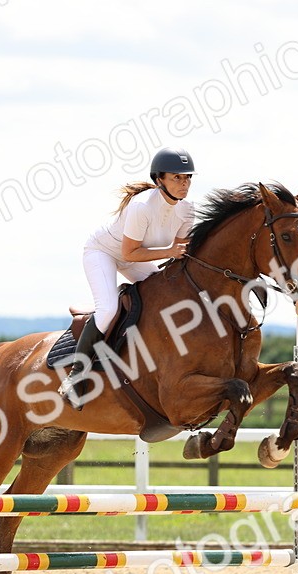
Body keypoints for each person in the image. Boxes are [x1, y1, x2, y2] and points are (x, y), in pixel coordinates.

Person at [59, 146, 196, 407]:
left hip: (137, 256)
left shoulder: (187, 209)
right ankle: (76, 375)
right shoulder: (142, 206)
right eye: (176, 177)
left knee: (165, 298)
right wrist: (170, 251)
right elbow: (130, 252)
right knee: (108, 308)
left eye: (187, 177)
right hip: (104, 253)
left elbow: (178, 253)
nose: (184, 183)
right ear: (159, 180)